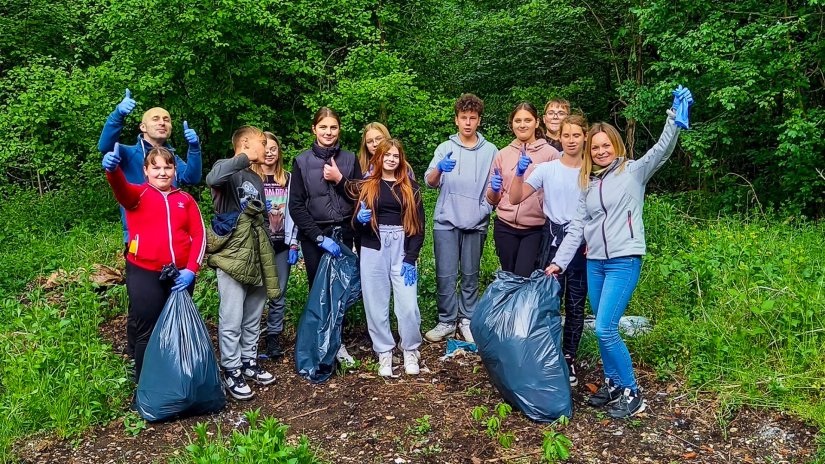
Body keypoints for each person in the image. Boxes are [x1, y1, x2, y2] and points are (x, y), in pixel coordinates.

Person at [546, 87, 692, 418]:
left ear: (616, 146)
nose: (599, 151)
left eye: (605, 145)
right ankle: (612, 385)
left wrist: (673, 118)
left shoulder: (632, 172)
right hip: (594, 262)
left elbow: (661, 151)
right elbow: (576, 227)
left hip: (623, 260)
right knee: (602, 324)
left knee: (605, 328)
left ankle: (632, 392)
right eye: (594, 147)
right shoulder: (588, 182)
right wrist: (558, 262)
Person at [102, 143, 205, 383]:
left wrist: (191, 270)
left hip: (179, 275)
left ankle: (179, 381)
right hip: (144, 272)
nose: (162, 172)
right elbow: (120, 188)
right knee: (146, 330)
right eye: (155, 167)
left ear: (175, 171)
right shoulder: (137, 195)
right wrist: (113, 170)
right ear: (145, 171)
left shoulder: (185, 199)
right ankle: (146, 387)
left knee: (178, 328)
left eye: (168, 167)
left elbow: (199, 235)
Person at [509, 113, 589, 386]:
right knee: (548, 302)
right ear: (559, 137)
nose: (570, 140)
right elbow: (516, 197)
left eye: (576, 135)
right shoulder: (548, 168)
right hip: (550, 241)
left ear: (584, 137)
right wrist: (519, 174)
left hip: (582, 245)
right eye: (566, 135)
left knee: (575, 305)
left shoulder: (591, 171)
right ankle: (547, 354)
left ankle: (569, 357)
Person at [205, 126, 280, 401]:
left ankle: (248, 361)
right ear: (246, 143)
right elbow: (212, 177)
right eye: (262, 142)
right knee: (232, 316)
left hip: (257, 252)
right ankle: (231, 368)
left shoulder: (255, 178)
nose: (267, 147)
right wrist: (245, 156)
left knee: (253, 314)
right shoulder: (227, 169)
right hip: (232, 256)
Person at [288, 107, 362, 363]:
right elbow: (295, 205)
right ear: (314, 129)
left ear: (339, 129)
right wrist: (318, 237)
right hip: (315, 237)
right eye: (323, 127)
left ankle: (337, 343)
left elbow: (359, 195)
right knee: (318, 290)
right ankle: (319, 342)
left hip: (344, 232)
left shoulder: (351, 159)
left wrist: (340, 178)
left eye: (333, 127)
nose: (328, 132)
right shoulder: (301, 161)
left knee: (340, 290)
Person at [423, 94, 498, 343]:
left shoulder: (490, 151)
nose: (468, 122)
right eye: (463, 118)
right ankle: (446, 320)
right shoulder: (445, 148)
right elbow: (430, 182)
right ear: (456, 120)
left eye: (472, 118)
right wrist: (439, 169)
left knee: (470, 273)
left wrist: (484, 209)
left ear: (479, 121)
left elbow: (493, 190)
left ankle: (467, 319)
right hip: (446, 221)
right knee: (445, 273)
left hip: (475, 222)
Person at [350, 139, 425, 376]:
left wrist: (411, 257)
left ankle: (410, 348)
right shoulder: (367, 185)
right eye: (387, 155)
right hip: (374, 247)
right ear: (378, 158)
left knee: (409, 305)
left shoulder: (411, 187)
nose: (391, 159)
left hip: (401, 247)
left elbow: (419, 226)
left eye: (396, 155)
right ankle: (384, 351)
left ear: (401, 160)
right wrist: (359, 221)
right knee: (375, 303)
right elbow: (355, 227)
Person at [98, 89, 203, 245]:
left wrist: (194, 147)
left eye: (167, 120)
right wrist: (118, 114)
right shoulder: (128, 153)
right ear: (143, 127)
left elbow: (192, 178)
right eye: (156, 119)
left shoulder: (172, 158)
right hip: (138, 234)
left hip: (172, 233)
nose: (162, 122)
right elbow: (105, 146)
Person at [486, 102, 560, 277]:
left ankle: (523, 305)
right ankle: (508, 305)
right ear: (512, 124)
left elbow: (557, 194)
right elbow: (492, 199)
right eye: (518, 120)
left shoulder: (550, 155)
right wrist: (494, 189)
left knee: (523, 276)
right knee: (508, 276)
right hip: (504, 226)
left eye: (527, 120)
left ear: (536, 122)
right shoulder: (502, 154)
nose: (522, 124)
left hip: (534, 229)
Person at [251, 132, 299, 359]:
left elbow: (296, 212)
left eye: (273, 149)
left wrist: (294, 243)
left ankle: (273, 338)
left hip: (282, 244)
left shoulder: (288, 179)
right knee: (255, 293)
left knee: (278, 294)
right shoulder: (251, 178)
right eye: (265, 148)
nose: (269, 153)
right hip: (257, 244)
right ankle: (250, 340)